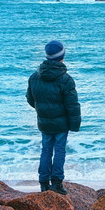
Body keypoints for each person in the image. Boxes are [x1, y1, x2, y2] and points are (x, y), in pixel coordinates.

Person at [26, 40, 81, 194]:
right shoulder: (66, 80)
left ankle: (44, 183)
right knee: (59, 150)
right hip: (61, 123)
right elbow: (72, 105)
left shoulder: (35, 77)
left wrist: (42, 111)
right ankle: (56, 183)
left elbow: (31, 99)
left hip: (44, 122)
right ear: (61, 57)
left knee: (46, 150)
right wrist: (74, 124)